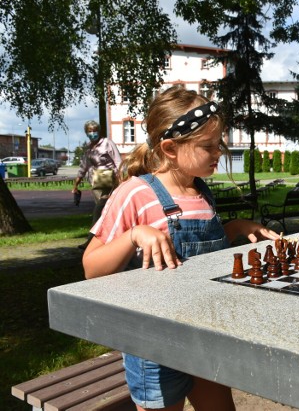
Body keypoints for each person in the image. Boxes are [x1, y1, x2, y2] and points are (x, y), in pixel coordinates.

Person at [83, 86, 280, 410]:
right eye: (208, 146)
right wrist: (134, 234)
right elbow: (90, 268)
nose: (219, 152)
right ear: (171, 148)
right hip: (153, 345)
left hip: (205, 330)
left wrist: (237, 228)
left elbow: (202, 256)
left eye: (219, 143)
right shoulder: (134, 194)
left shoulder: (201, 192)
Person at [72, 120, 122, 248]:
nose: (92, 133)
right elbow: (83, 166)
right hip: (96, 183)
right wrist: (76, 183)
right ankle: (106, 239)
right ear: (86, 132)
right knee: (104, 212)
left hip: (109, 180)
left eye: (95, 130)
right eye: (90, 131)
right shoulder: (89, 148)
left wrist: (121, 179)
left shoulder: (107, 143)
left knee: (99, 210)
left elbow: (118, 161)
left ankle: (90, 241)